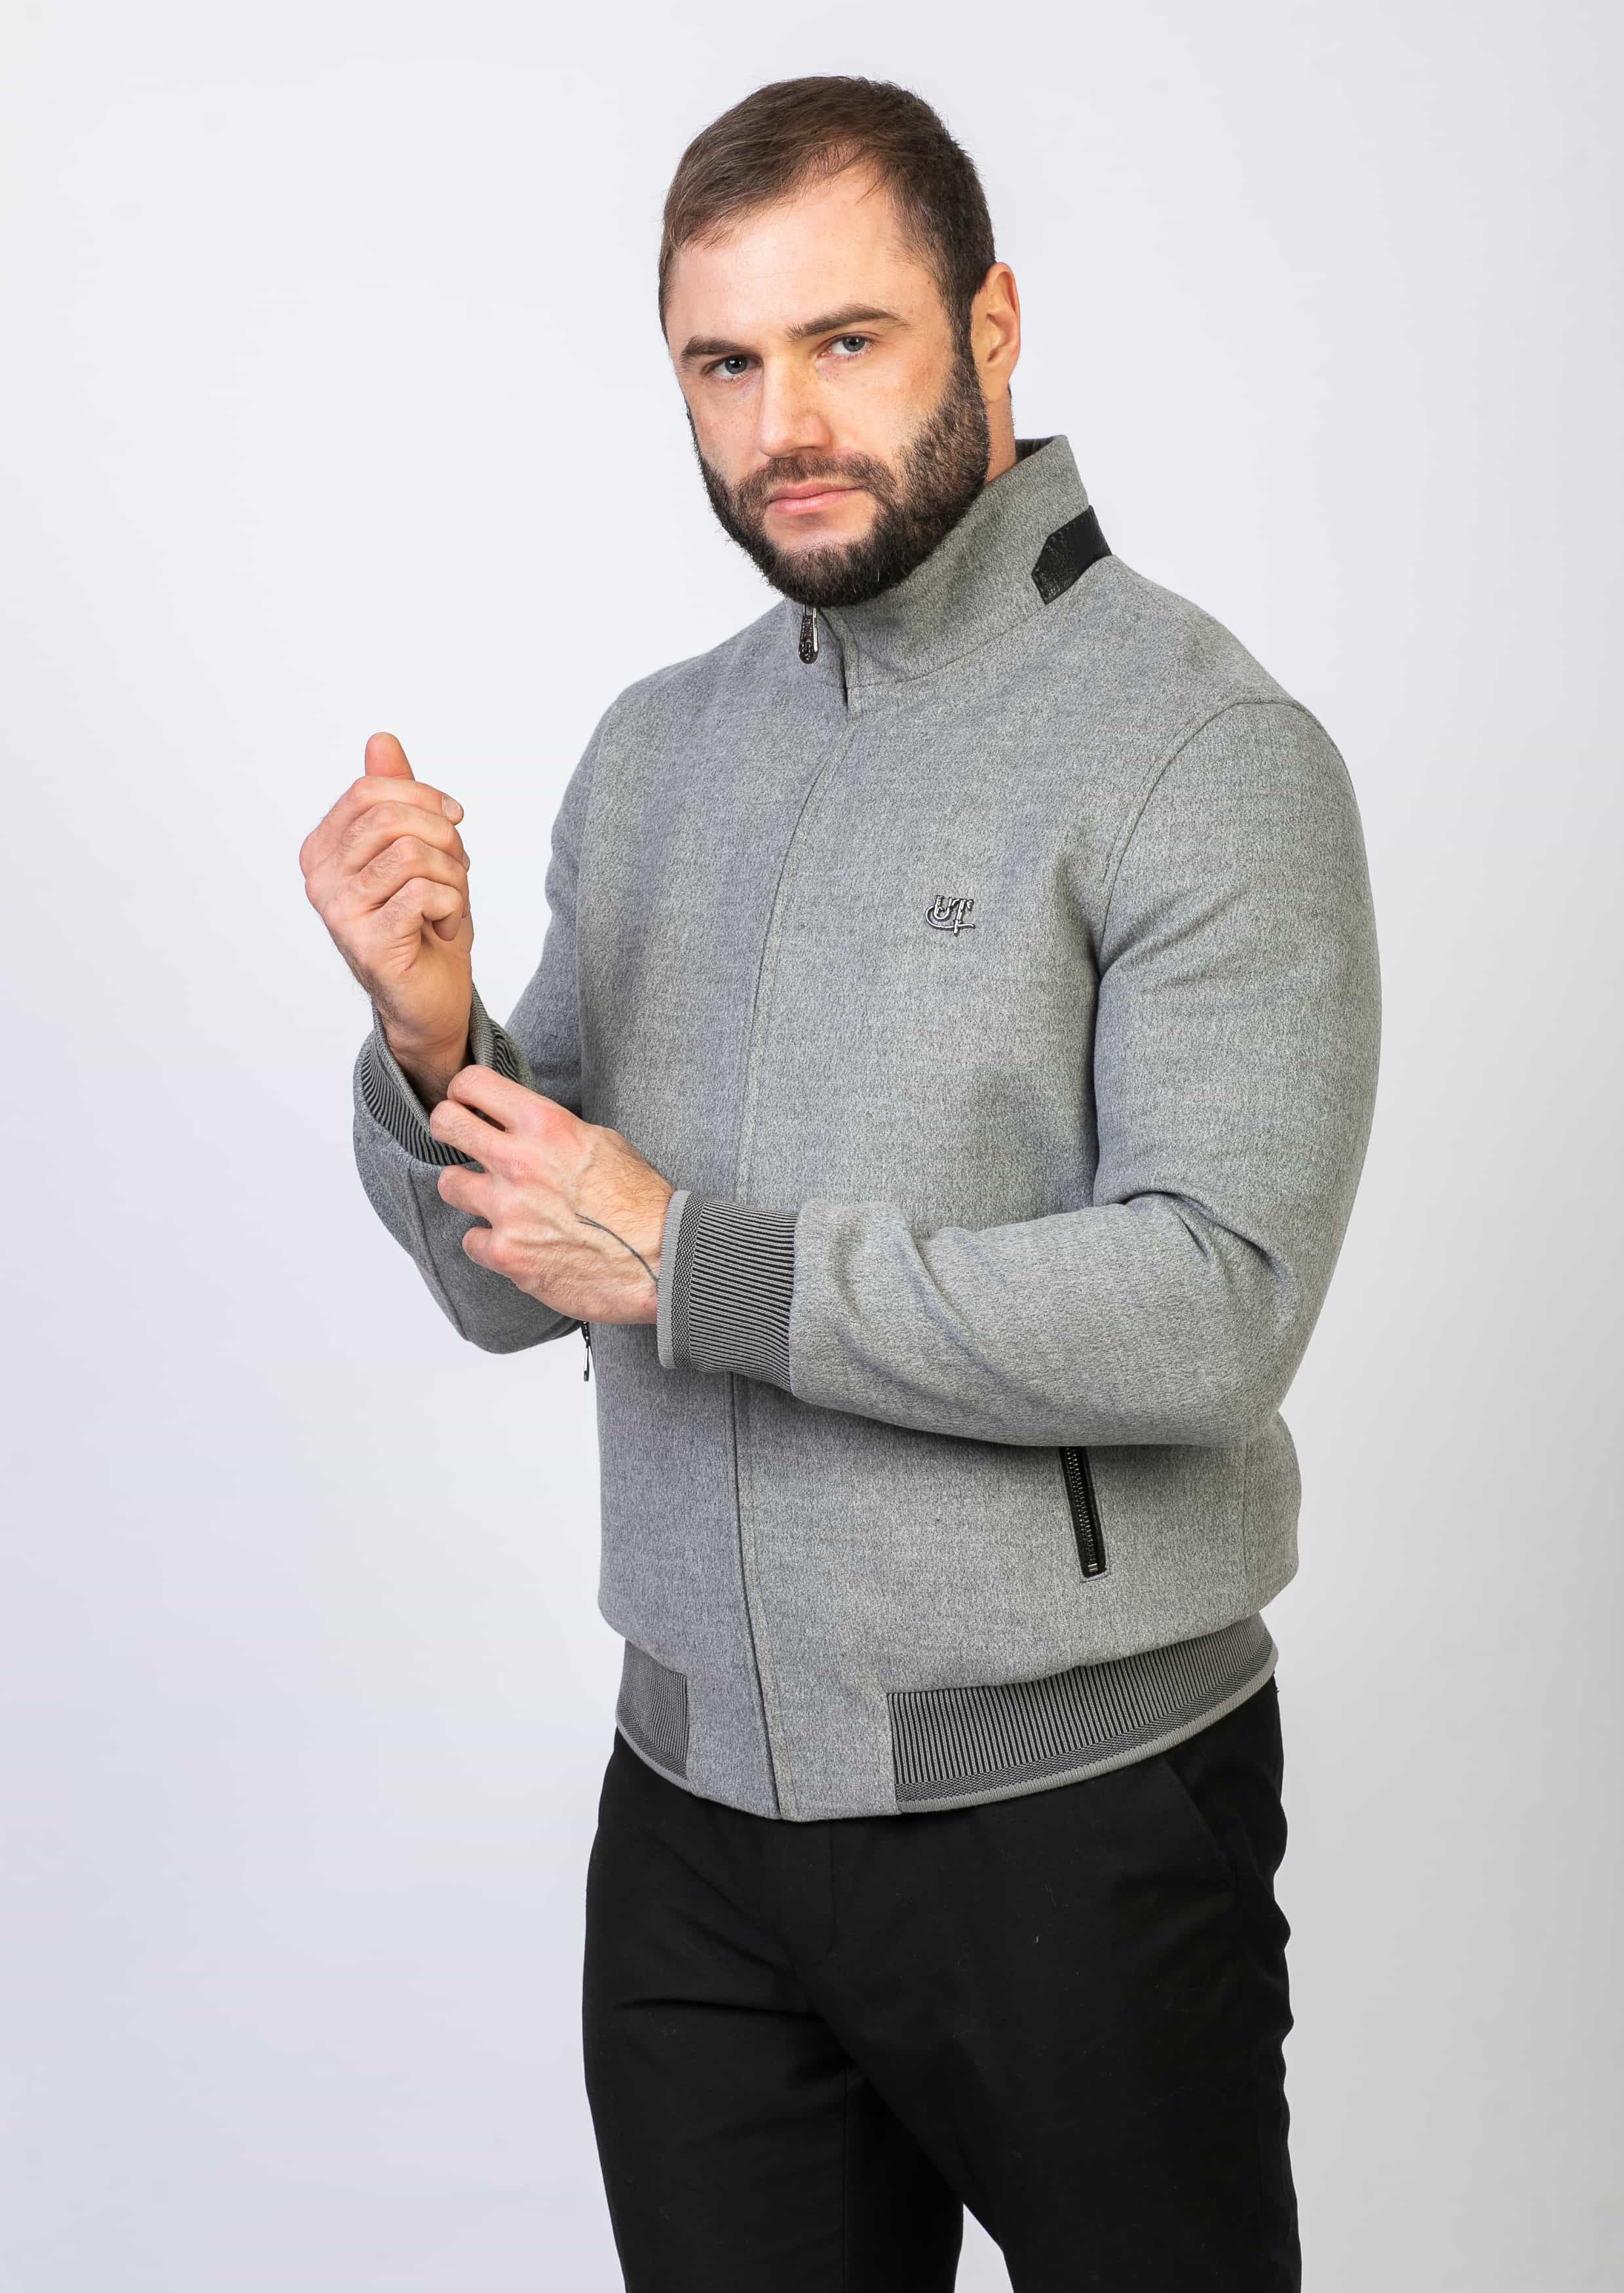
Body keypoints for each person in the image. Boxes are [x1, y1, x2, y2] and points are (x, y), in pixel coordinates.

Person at [301, 72, 1380, 2293]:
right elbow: (520, 1278)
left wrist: (694, 1261)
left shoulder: (1201, 749)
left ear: (991, 328)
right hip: (692, 1833)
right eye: (722, 362)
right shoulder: (656, 750)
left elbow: (1215, 1303)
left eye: (845, 341)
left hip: (1074, 1821)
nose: (780, 421)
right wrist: (435, 1043)